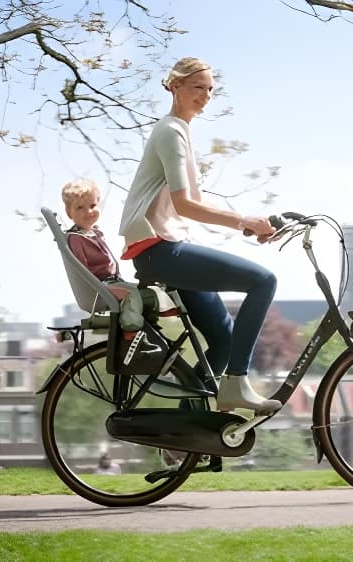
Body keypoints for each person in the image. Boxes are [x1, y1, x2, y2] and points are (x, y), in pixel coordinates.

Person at [118, 56, 280, 414]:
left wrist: (252, 225)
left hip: (167, 246)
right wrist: (244, 221)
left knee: (222, 338)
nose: (205, 95)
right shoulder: (170, 131)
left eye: (210, 89)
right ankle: (236, 383)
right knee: (264, 281)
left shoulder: (180, 132)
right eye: (197, 87)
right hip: (157, 250)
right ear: (175, 85)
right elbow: (186, 204)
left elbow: (186, 206)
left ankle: (184, 428)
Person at [62, 178, 152, 337]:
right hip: (99, 286)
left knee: (149, 292)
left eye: (92, 206)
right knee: (130, 293)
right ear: (69, 212)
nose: (88, 212)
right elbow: (82, 273)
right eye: (80, 208)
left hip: (112, 280)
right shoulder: (76, 238)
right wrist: (105, 289)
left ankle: (150, 328)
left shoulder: (95, 233)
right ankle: (131, 330)